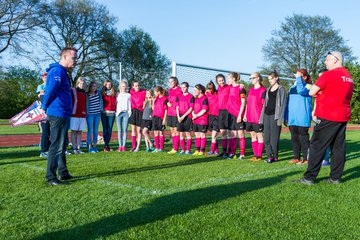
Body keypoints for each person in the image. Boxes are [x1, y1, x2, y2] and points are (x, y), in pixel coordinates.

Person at [294, 51, 354, 185]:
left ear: (335, 60)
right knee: (338, 147)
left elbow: (311, 91)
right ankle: (335, 177)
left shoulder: (329, 75)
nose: (325, 62)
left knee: (316, 146)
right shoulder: (348, 76)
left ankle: (309, 177)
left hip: (328, 114)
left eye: (327, 59)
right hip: (342, 115)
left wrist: (320, 92)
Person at [42, 47, 77, 186]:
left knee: (62, 144)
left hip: (63, 112)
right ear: (65, 57)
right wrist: (44, 107)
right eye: (74, 58)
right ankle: (51, 177)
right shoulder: (57, 71)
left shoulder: (63, 72)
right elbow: (50, 90)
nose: (75, 61)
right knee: (56, 144)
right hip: (57, 112)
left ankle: (63, 172)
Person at [285, 69, 312, 165]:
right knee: (294, 139)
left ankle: (306, 158)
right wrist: (286, 116)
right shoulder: (292, 88)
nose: (296, 77)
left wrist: (298, 79)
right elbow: (288, 103)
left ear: (304, 77)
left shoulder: (309, 86)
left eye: (299, 75)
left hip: (303, 118)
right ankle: (296, 157)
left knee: (303, 139)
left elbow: (301, 91)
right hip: (292, 118)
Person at [259, 70, 287, 163]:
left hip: (275, 116)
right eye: (269, 79)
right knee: (266, 137)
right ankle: (269, 156)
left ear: (276, 78)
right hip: (267, 115)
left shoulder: (281, 89)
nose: (270, 80)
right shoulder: (268, 89)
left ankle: (275, 156)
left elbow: (283, 105)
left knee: (274, 138)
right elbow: (265, 104)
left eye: (271, 79)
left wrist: (280, 118)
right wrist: (262, 117)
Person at [243, 72, 266, 161]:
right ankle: (255, 155)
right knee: (252, 135)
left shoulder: (263, 90)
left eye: (253, 78)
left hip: (258, 117)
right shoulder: (251, 90)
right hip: (249, 116)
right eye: (250, 78)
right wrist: (245, 114)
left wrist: (262, 117)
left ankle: (259, 156)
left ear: (258, 78)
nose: (251, 79)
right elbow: (248, 103)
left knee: (259, 135)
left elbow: (264, 105)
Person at [226, 72, 247, 159]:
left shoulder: (241, 89)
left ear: (234, 79)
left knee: (241, 134)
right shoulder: (230, 87)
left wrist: (240, 115)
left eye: (229, 78)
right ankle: (233, 153)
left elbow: (243, 103)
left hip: (238, 114)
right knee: (232, 134)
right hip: (230, 114)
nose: (228, 80)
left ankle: (242, 154)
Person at [176, 82, 194, 155]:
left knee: (187, 134)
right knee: (181, 134)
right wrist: (178, 116)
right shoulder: (179, 96)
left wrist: (183, 116)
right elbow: (177, 107)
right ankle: (183, 150)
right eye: (182, 87)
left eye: (184, 87)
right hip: (180, 116)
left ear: (187, 87)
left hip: (187, 116)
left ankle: (188, 150)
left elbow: (191, 108)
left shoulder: (191, 96)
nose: (183, 89)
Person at [70, 77, 87, 154]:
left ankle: (78, 148)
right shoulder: (73, 90)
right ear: (78, 83)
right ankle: (74, 148)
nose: (82, 85)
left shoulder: (84, 93)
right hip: (74, 114)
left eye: (83, 83)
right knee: (74, 132)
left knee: (80, 132)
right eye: (81, 83)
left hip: (82, 115)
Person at [129, 81, 146, 152]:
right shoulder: (131, 92)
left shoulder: (143, 92)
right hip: (133, 111)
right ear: (133, 86)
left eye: (138, 85)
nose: (137, 87)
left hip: (140, 112)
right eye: (136, 86)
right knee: (133, 130)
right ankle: (133, 146)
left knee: (139, 130)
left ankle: (138, 147)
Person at [167, 76, 183, 154]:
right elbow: (167, 100)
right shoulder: (169, 90)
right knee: (172, 131)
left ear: (176, 81)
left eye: (172, 81)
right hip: (170, 112)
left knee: (177, 131)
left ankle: (176, 148)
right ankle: (174, 147)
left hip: (176, 113)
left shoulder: (180, 89)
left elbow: (181, 100)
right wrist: (167, 103)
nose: (170, 83)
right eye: (169, 82)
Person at [216, 74, 231, 158]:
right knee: (223, 133)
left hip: (228, 111)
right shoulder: (218, 89)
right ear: (217, 82)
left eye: (222, 80)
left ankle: (230, 151)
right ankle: (224, 151)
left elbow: (236, 86)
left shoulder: (229, 87)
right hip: (220, 112)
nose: (222, 82)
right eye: (219, 81)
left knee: (229, 133)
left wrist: (241, 85)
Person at [86, 81, 103, 153]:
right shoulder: (87, 94)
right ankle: (89, 146)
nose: (94, 88)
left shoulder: (98, 93)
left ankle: (95, 146)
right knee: (90, 130)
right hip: (90, 114)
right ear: (90, 87)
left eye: (95, 86)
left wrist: (100, 109)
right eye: (93, 86)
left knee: (96, 131)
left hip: (97, 114)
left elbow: (101, 101)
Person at [192, 84, 209, 156]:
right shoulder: (196, 98)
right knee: (197, 135)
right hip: (196, 120)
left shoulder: (204, 98)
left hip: (202, 120)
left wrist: (197, 115)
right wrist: (193, 114)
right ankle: (197, 150)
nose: (195, 92)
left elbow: (204, 109)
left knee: (202, 135)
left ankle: (202, 150)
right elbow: (193, 109)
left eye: (196, 90)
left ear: (200, 90)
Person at [37, 72, 51, 158]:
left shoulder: (50, 85)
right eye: (44, 77)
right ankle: (43, 150)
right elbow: (40, 95)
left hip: (51, 111)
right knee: (45, 132)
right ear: (42, 78)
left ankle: (49, 149)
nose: (45, 78)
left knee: (50, 132)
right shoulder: (40, 86)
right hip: (43, 111)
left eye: (47, 77)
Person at [101, 80, 117, 152]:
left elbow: (116, 103)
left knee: (109, 129)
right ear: (105, 85)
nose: (108, 86)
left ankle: (107, 145)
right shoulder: (102, 93)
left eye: (110, 85)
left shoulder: (114, 93)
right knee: (105, 129)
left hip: (112, 113)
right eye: (107, 85)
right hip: (104, 113)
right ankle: (106, 145)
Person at [116, 80, 131, 152]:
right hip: (118, 113)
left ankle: (124, 146)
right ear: (120, 87)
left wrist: (129, 112)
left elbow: (129, 104)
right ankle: (120, 146)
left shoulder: (128, 95)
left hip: (126, 113)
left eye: (125, 86)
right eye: (122, 86)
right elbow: (116, 103)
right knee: (119, 130)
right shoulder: (117, 94)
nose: (124, 87)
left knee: (125, 130)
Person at [152, 86, 168, 152]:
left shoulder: (165, 99)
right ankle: (157, 148)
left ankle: (161, 148)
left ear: (158, 92)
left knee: (161, 133)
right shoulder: (156, 98)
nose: (154, 93)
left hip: (161, 117)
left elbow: (166, 110)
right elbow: (153, 108)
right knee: (155, 132)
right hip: (155, 117)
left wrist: (164, 119)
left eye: (155, 92)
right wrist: (153, 101)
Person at [205, 81, 219, 155]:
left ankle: (212, 150)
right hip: (210, 116)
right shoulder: (206, 94)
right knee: (214, 135)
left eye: (211, 88)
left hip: (217, 116)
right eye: (209, 88)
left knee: (214, 134)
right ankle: (216, 151)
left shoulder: (217, 93)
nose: (210, 90)